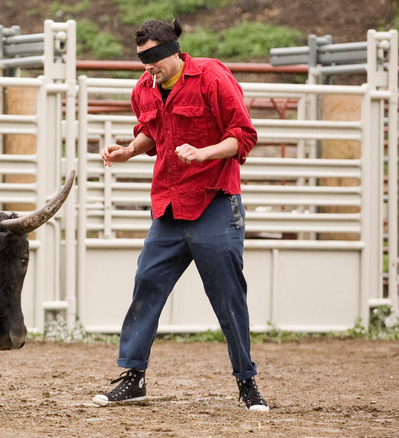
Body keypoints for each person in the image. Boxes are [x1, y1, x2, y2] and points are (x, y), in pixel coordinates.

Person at [91, 17, 269, 412]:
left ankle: (247, 382)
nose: (146, 66)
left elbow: (244, 135)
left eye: (152, 57)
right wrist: (128, 151)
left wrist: (204, 152)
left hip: (214, 203)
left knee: (227, 297)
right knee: (146, 286)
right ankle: (133, 378)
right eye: (141, 59)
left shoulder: (211, 77)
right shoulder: (144, 89)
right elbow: (152, 134)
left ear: (172, 50)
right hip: (169, 207)